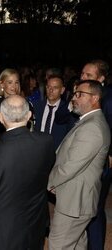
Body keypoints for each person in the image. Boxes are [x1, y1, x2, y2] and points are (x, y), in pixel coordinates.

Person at [0, 95, 55, 250]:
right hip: (35, 222)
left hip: (3, 232)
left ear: (0, 118)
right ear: (29, 116)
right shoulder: (46, 142)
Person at [47, 80, 110, 249]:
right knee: (77, 244)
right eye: (74, 94)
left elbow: (70, 166)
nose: (74, 98)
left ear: (95, 98)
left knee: (58, 244)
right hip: (77, 199)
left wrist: (48, 181)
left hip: (75, 202)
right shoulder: (88, 121)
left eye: (80, 94)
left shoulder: (92, 127)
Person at [80, 59, 112, 249]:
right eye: (82, 73)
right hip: (86, 158)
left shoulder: (108, 98)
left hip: (101, 161)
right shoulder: (81, 93)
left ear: (101, 79)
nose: (83, 77)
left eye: (88, 75)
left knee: (95, 208)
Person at [33, 75, 70, 150]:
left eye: (55, 87)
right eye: (48, 87)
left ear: (62, 90)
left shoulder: (67, 110)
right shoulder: (36, 106)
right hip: (37, 150)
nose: (51, 90)